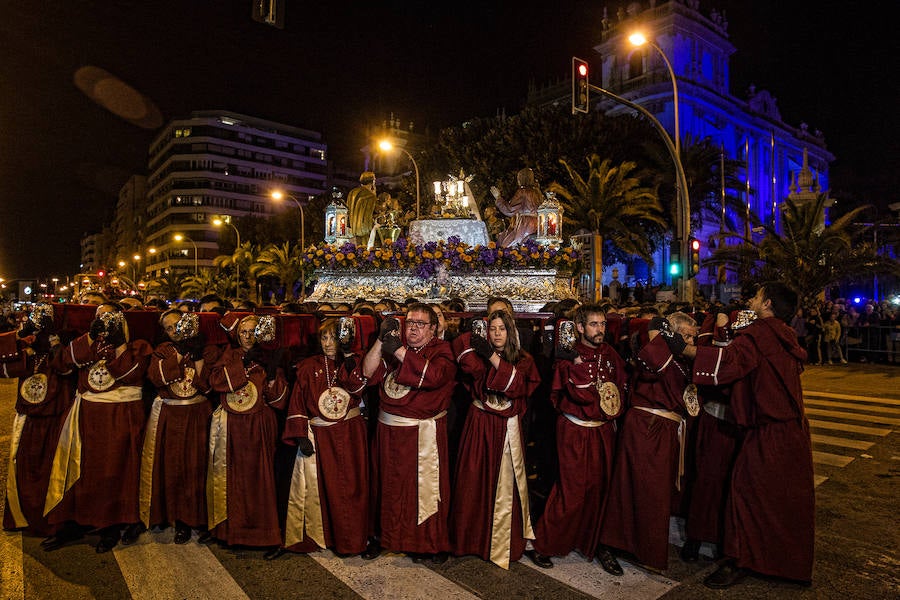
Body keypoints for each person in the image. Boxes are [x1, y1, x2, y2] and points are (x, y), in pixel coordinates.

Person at [680, 282, 814, 588]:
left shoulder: (759, 335)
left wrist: (683, 349)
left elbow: (725, 363)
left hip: (768, 431)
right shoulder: (785, 333)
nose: (749, 299)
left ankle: (742, 559)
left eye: (755, 296)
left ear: (767, 304)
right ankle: (783, 562)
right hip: (791, 430)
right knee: (779, 500)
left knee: (745, 495)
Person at [44, 302, 152, 553]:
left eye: (110, 317)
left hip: (120, 416)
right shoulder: (86, 342)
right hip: (86, 414)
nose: (104, 321)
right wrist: (90, 338)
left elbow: (131, 374)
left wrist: (119, 342)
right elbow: (61, 365)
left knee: (115, 470)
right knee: (80, 468)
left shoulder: (138, 346)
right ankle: (74, 522)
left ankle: (110, 524)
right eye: (99, 317)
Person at [527, 304, 626, 575]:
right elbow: (571, 394)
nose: (599, 330)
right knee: (571, 491)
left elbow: (619, 388)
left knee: (600, 489)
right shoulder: (568, 357)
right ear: (580, 328)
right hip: (576, 430)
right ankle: (546, 544)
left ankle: (596, 544)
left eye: (603, 324)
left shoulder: (611, 354)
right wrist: (578, 368)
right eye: (593, 324)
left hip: (604, 430)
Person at [601, 312, 700, 570]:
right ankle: (617, 542)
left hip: (666, 431)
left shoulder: (683, 360)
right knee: (640, 489)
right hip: (648, 428)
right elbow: (651, 359)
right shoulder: (657, 352)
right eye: (686, 336)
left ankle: (640, 543)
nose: (690, 341)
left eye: (693, 337)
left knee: (654, 494)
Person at [360, 303, 457, 563]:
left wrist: (401, 351)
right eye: (410, 322)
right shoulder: (394, 346)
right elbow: (367, 373)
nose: (413, 328)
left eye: (420, 324)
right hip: (387, 432)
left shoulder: (442, 350)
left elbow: (436, 376)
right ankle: (383, 537)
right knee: (386, 487)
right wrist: (381, 341)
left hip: (420, 435)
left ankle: (426, 543)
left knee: (420, 490)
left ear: (433, 328)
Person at [268, 318, 369, 559]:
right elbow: (298, 401)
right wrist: (300, 433)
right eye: (323, 338)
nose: (327, 343)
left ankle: (351, 540)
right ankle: (322, 535)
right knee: (323, 489)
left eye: (333, 338)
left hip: (349, 434)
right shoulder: (307, 366)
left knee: (351, 487)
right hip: (320, 435)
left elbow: (358, 389)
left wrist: (347, 359)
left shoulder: (355, 362)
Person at [450, 310, 540, 569]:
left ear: (511, 332)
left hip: (508, 427)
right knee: (474, 479)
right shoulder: (476, 356)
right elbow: (473, 374)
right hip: (479, 424)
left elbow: (516, 386)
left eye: (502, 328)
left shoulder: (523, 360)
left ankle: (505, 539)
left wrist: (489, 357)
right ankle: (471, 540)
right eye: (492, 329)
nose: (497, 333)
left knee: (508, 484)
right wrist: (479, 348)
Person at [206, 314, 288, 550]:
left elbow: (279, 400)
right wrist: (241, 365)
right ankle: (233, 531)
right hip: (232, 426)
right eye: (244, 332)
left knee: (261, 478)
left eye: (254, 332)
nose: (249, 337)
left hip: (260, 424)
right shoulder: (229, 355)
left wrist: (272, 374)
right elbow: (216, 381)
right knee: (233, 478)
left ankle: (263, 533)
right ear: (237, 334)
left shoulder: (269, 356)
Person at [141, 310, 218, 544]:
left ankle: (200, 517)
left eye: (179, 325)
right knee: (173, 466)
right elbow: (156, 376)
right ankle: (177, 518)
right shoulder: (163, 350)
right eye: (170, 328)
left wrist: (197, 357)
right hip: (171, 414)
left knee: (198, 465)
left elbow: (207, 385)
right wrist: (178, 356)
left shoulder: (207, 349)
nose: (176, 331)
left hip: (198, 413)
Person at [2, 304, 72, 537]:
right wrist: (20, 336)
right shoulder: (27, 347)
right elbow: (5, 364)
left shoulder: (62, 343)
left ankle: (53, 521)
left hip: (56, 416)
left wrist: (54, 339)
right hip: (29, 416)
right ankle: (23, 517)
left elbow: (65, 366)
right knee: (22, 465)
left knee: (55, 468)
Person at [490, 167, 542, 247]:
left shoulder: (522, 192)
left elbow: (510, 210)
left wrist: (498, 198)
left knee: (511, 246)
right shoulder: (537, 193)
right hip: (537, 224)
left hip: (525, 224)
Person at [346, 171, 378, 247]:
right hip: (364, 232)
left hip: (351, 230)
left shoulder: (352, 192)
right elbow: (369, 215)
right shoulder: (370, 196)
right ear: (373, 181)